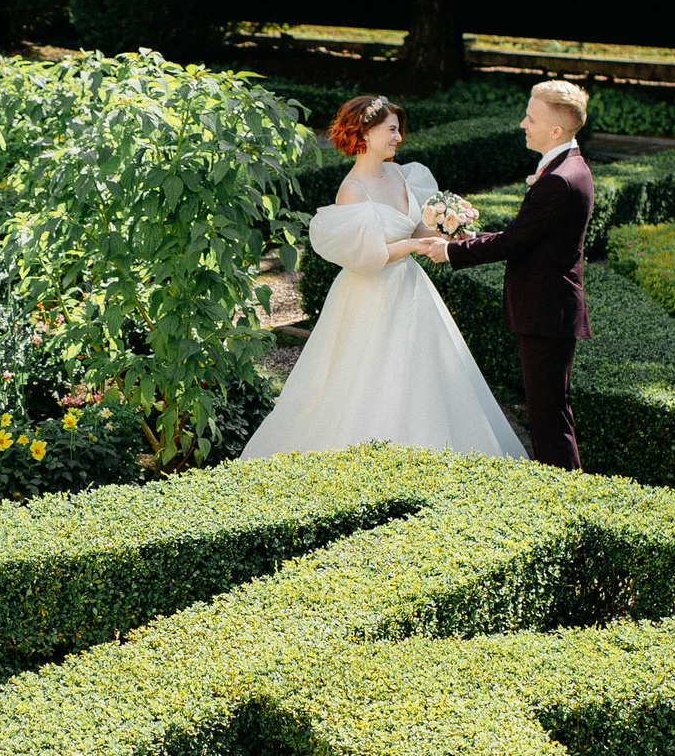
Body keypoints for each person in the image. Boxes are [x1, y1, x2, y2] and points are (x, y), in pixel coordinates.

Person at [241, 95, 527, 461]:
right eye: (391, 130)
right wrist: (414, 244)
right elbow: (369, 256)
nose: (398, 138)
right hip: (370, 294)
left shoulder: (399, 173)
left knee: (425, 375)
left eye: (398, 130)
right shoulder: (352, 191)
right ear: (366, 132)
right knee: (364, 378)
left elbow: (418, 225)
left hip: (411, 289)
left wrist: (448, 232)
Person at [415, 79, 593, 469]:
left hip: (547, 311)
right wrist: (472, 236)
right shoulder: (567, 167)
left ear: (556, 130)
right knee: (548, 410)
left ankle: (564, 495)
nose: (522, 124)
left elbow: (513, 243)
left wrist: (450, 251)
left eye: (530, 118)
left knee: (548, 416)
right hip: (550, 310)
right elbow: (526, 236)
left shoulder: (560, 179)